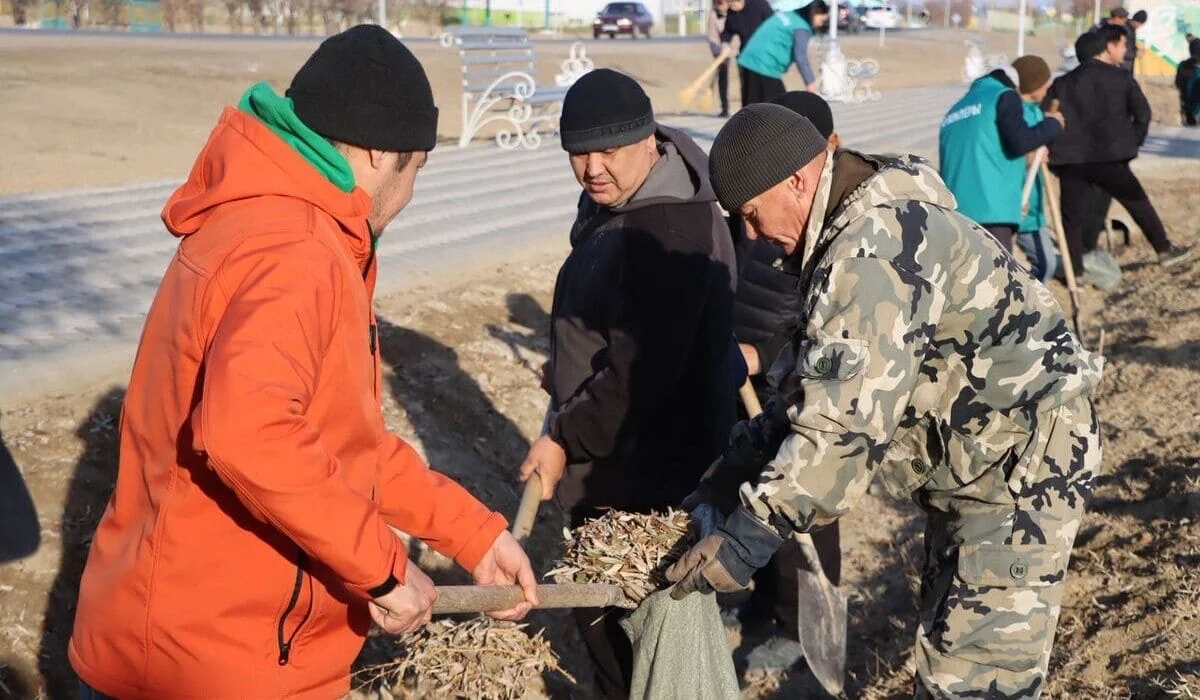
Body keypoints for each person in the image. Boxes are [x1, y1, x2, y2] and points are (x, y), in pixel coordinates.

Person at [68, 25, 539, 700]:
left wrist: (472, 534)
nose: (409, 199)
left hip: (194, 639)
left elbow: (344, 445)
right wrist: (382, 568)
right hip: (216, 660)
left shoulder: (271, 222)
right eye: (415, 171)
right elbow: (247, 432)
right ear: (381, 152)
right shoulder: (298, 251)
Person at [665, 103, 1105, 699]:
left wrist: (749, 535)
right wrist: (719, 488)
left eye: (750, 214)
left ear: (796, 179)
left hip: (1024, 465)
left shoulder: (873, 249)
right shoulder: (850, 236)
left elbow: (841, 431)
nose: (751, 235)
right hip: (977, 455)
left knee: (975, 675)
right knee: (952, 632)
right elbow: (804, 398)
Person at [517, 68, 737, 699]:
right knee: (617, 644)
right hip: (615, 459)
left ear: (648, 140)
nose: (591, 169)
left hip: (645, 480)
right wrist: (566, 367)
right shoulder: (624, 195)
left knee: (633, 650)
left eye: (607, 151)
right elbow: (616, 325)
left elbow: (640, 380)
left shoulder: (667, 232)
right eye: (578, 154)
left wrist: (563, 437)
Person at [723, 89, 843, 675]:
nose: (751, 228)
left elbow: (817, 325)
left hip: (793, 378)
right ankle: (767, 601)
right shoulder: (758, 217)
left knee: (804, 505)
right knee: (756, 485)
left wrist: (762, 353)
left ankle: (802, 625)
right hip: (753, 385)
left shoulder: (835, 243)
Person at [1046, 26, 1192, 274]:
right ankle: (1164, 250)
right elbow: (1143, 114)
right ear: (1105, 48)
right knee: (1138, 203)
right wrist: (1132, 142)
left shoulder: (1062, 83)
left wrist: (1056, 151)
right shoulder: (1121, 78)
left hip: (1071, 161)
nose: (1124, 50)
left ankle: (1076, 272)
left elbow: (1049, 116)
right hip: (1111, 158)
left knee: (1071, 219)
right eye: (1122, 45)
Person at [938, 58, 1064, 253]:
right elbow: (1019, 141)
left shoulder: (955, 110)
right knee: (1000, 279)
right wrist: (1052, 124)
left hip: (955, 212)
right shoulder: (1003, 95)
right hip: (991, 211)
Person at [1011, 55, 1062, 284]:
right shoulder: (1014, 113)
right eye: (1044, 82)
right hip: (1017, 203)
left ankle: (1029, 306)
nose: (1049, 86)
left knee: (1046, 263)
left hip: (1035, 206)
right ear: (1032, 85)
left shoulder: (1036, 110)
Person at [735, 0, 832, 105]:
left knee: (755, 107)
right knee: (773, 110)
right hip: (764, 66)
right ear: (815, 13)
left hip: (749, 59)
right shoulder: (801, 27)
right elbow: (800, 57)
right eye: (822, 20)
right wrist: (810, 82)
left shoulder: (788, 15)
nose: (821, 24)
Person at [719, 0, 776, 108]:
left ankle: (769, 115)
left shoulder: (760, 5)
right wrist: (725, 44)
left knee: (766, 90)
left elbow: (773, 25)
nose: (731, 7)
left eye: (733, 3)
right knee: (747, 91)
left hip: (765, 56)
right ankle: (748, 116)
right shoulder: (732, 13)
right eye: (729, 4)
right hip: (745, 57)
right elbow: (727, 32)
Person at [707, 0, 732, 117]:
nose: (719, 5)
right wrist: (719, 54)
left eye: (721, 3)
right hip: (720, 53)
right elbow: (713, 37)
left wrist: (729, 50)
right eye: (716, 3)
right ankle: (725, 107)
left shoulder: (734, 13)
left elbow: (737, 34)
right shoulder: (713, 15)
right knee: (723, 78)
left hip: (735, 50)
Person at [1175, 37, 1200, 126]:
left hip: (1188, 107)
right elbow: (1178, 83)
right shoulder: (1185, 65)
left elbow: (1178, 83)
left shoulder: (1183, 64)